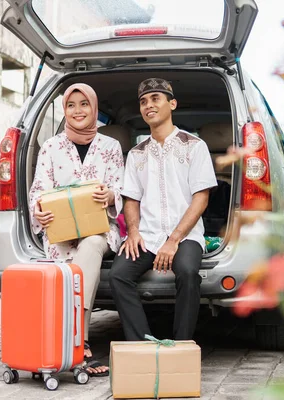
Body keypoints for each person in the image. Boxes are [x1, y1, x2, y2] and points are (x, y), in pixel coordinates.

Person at [109, 78, 217, 341]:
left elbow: (201, 199)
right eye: (143, 102)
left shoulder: (194, 146)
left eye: (155, 99)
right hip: (147, 235)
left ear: (172, 103)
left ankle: (181, 345)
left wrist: (174, 240)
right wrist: (133, 232)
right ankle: (142, 343)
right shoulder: (136, 154)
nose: (148, 105)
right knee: (118, 275)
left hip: (185, 236)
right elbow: (131, 199)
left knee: (189, 273)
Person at [29, 83, 124, 376]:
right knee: (73, 255)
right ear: (64, 110)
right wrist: (39, 212)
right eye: (72, 105)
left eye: (84, 104)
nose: (78, 110)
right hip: (60, 233)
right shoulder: (50, 147)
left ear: (94, 109)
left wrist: (110, 196)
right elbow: (38, 191)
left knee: (93, 244)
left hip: (101, 229)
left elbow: (122, 188)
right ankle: (71, 343)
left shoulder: (110, 147)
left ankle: (77, 340)